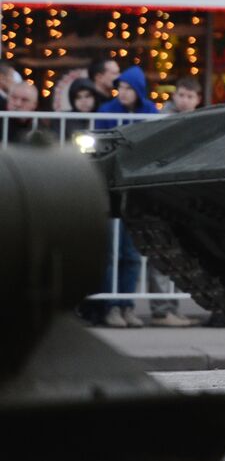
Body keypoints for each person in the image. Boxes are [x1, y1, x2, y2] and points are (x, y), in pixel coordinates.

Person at [94, 65, 158, 328]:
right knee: (111, 252)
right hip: (110, 187)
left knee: (131, 253)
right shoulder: (107, 111)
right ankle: (111, 306)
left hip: (135, 190)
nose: (123, 92)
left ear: (139, 91)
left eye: (129, 88)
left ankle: (127, 305)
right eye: (120, 87)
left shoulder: (150, 112)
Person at [140, 76, 201, 327]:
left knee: (177, 253)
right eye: (182, 95)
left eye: (190, 96)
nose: (185, 100)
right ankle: (162, 308)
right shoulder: (161, 121)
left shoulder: (199, 122)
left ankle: (170, 307)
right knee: (161, 252)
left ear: (197, 100)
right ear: (174, 96)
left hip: (180, 193)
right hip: (160, 191)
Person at [4, 79, 54, 146]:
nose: (18, 104)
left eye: (25, 100)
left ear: (34, 105)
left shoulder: (43, 126)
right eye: (14, 98)